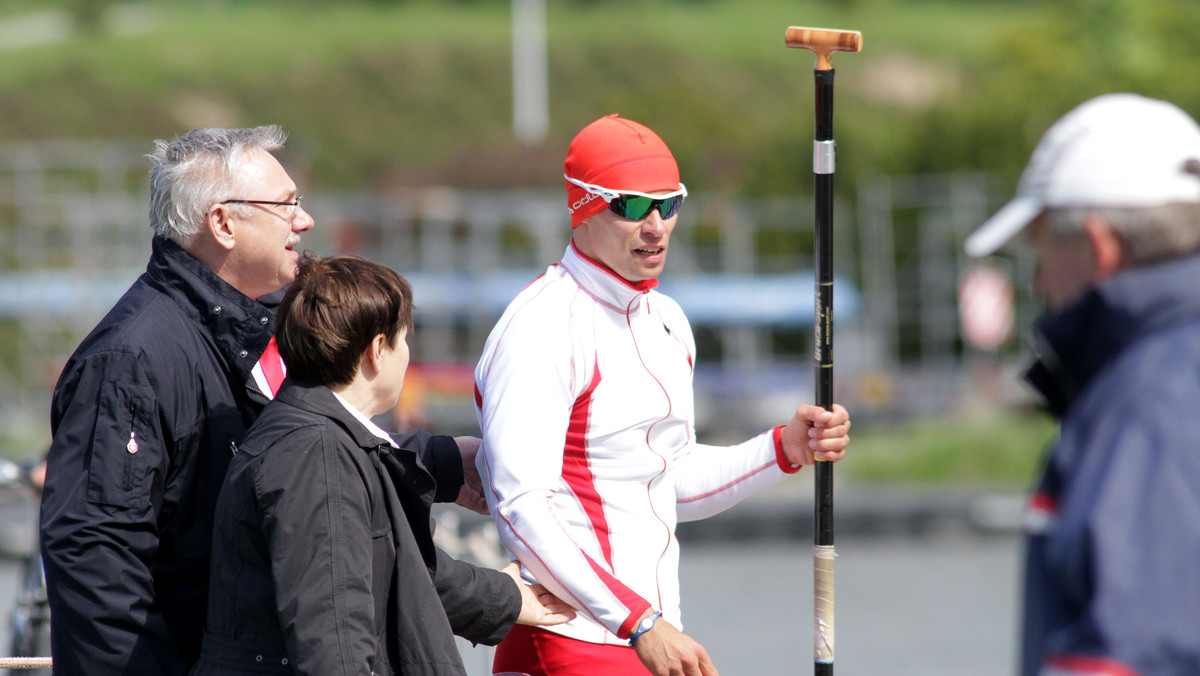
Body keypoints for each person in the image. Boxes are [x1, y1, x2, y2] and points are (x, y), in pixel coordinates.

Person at [38, 126, 487, 675]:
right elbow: (96, 561)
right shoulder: (131, 360)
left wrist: (443, 465)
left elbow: (298, 449)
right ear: (223, 223)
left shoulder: (260, 322)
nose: (305, 220)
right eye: (287, 205)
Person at [472, 114, 852, 676]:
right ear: (583, 205)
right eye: (631, 206)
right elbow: (519, 507)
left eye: (669, 204)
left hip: (646, 635)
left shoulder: (667, 321)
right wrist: (639, 622)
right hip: (573, 641)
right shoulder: (542, 327)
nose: (656, 225)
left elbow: (668, 484)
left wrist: (785, 449)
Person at [192, 254, 574, 675]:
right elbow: (335, 644)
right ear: (378, 350)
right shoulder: (318, 456)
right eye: (404, 339)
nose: (407, 354)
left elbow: (390, 567)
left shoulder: (316, 437)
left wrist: (502, 596)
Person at [964, 93, 1200, 676]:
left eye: (1042, 251)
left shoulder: (1148, 402)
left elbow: (1128, 653)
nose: (1039, 282)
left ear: (1099, 246)